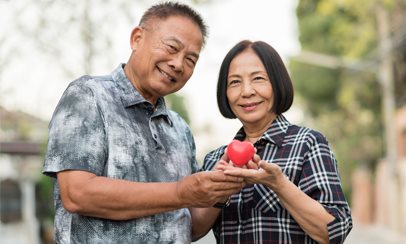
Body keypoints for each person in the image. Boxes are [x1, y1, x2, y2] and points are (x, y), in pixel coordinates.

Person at [43, 2, 245, 243]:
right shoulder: (89, 95)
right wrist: (181, 192)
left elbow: (188, 227)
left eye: (191, 60)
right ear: (137, 38)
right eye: (172, 47)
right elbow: (77, 194)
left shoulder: (180, 129)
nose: (178, 64)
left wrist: (219, 191)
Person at [193, 40, 353, 243]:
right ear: (225, 93)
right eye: (235, 82)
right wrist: (219, 192)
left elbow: (335, 232)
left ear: (277, 84)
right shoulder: (215, 160)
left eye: (258, 78)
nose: (247, 91)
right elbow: (193, 231)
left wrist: (279, 185)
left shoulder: (308, 144)